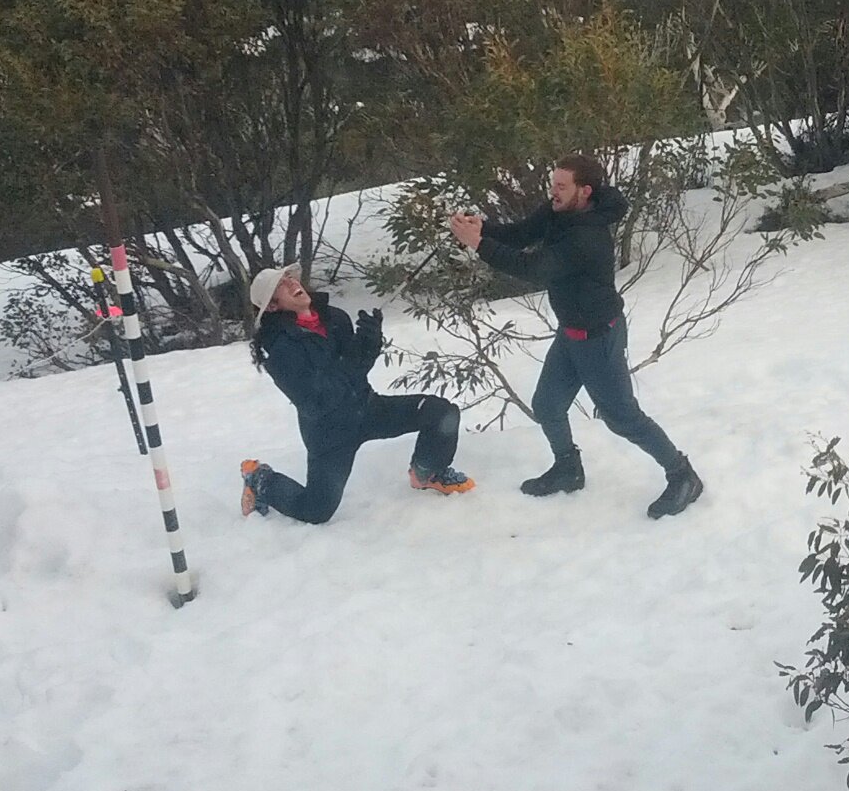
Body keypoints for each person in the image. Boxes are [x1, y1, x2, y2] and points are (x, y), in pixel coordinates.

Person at [449, 153, 703, 519]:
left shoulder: (587, 237)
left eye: (561, 187)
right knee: (548, 406)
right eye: (553, 184)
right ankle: (568, 468)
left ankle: (683, 476)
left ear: (584, 192)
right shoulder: (560, 212)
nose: (553, 193)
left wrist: (478, 244)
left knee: (622, 418)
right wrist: (482, 228)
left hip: (599, 337)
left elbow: (533, 268)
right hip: (571, 333)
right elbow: (521, 234)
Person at [239, 264, 474, 522]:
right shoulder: (278, 348)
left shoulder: (334, 318)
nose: (293, 283)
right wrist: (353, 361)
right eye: (281, 285)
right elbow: (315, 402)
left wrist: (369, 341)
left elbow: (357, 368)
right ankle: (261, 479)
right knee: (317, 511)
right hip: (329, 433)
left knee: (442, 413)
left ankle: (427, 473)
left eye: (289, 277)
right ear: (273, 306)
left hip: (368, 409)